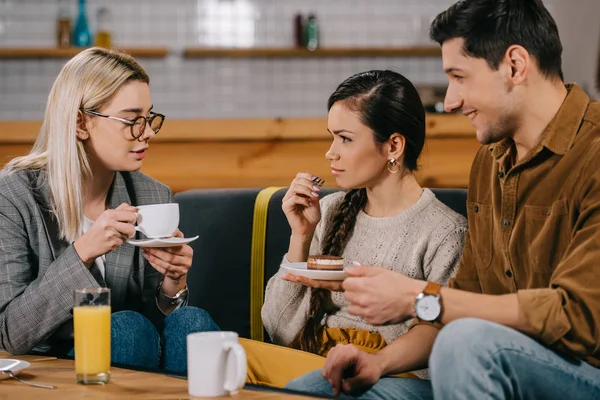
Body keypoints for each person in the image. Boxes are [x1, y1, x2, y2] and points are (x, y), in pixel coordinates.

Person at [286, 0, 600, 399]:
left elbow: (578, 317)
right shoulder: (489, 161)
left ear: (516, 66)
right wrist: (380, 362)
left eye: (459, 77)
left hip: (584, 373)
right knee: (311, 388)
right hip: (492, 361)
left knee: (465, 341)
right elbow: (461, 302)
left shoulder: (593, 156)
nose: (450, 101)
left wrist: (416, 298)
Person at [239, 70, 467, 390]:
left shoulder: (446, 233)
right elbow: (279, 328)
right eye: (331, 137)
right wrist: (301, 236)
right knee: (226, 357)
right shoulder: (331, 211)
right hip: (316, 360)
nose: (330, 152)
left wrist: (375, 361)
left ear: (393, 146)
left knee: (309, 387)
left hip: (391, 378)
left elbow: (440, 332)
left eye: (345, 138)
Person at [0, 47, 218, 373]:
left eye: (149, 118)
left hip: (136, 359)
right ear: (80, 123)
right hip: (54, 368)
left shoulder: (151, 193)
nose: (148, 133)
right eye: (132, 120)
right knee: (125, 326)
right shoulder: (15, 194)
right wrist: (84, 251)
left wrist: (173, 285)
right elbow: (9, 334)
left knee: (191, 319)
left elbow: (155, 328)